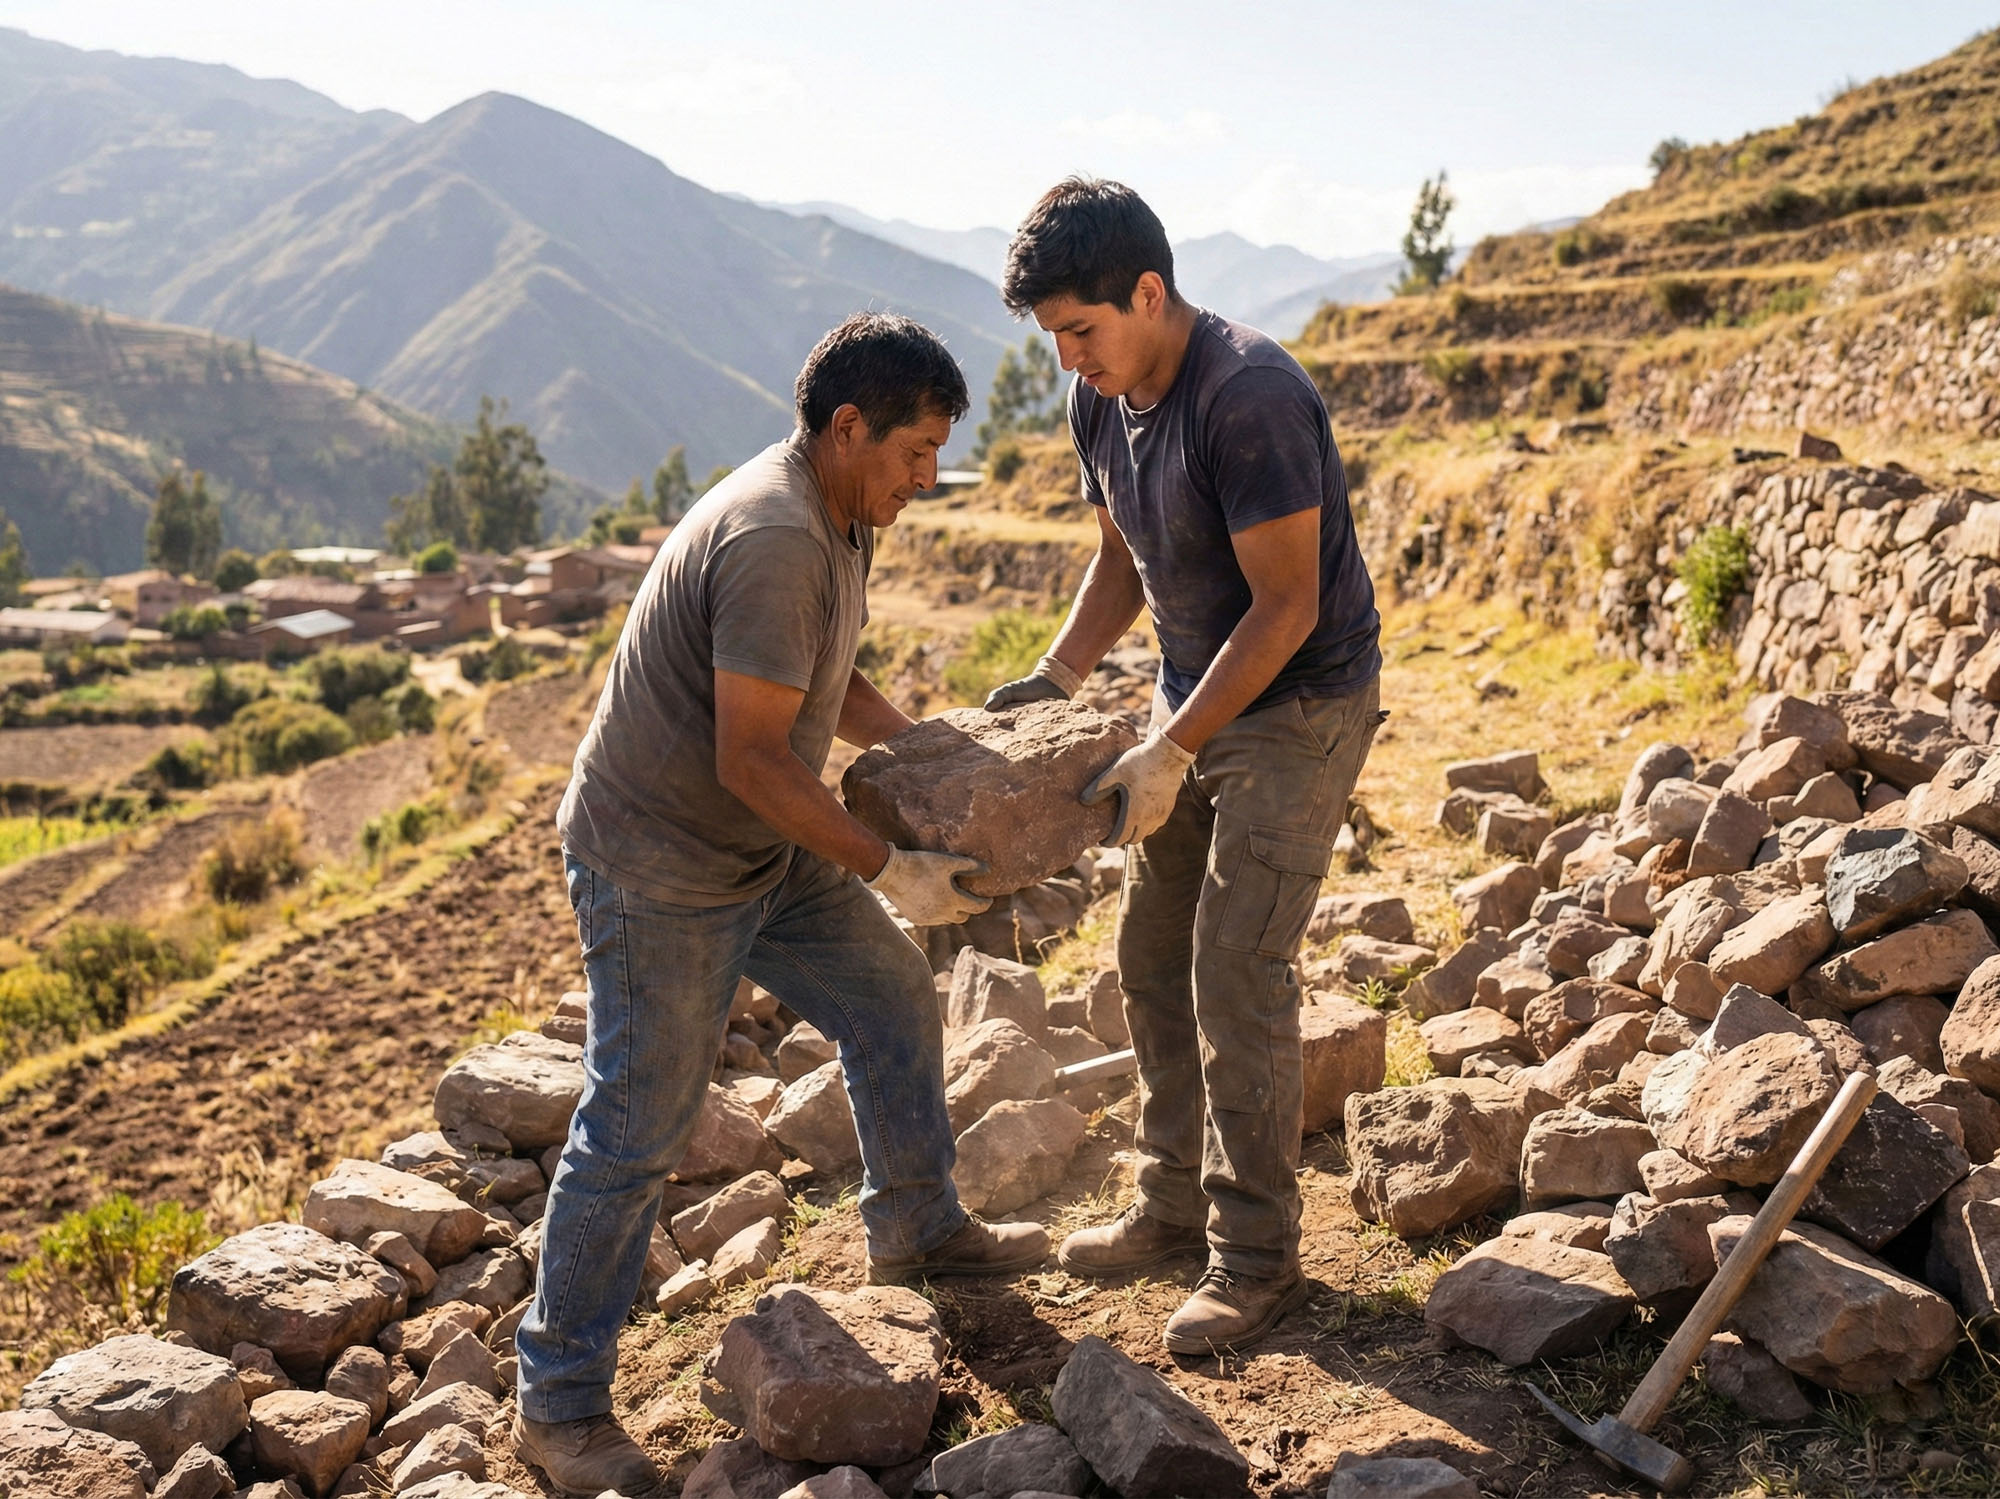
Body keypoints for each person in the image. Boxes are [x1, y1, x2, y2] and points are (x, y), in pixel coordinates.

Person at [515, 312, 1051, 1497]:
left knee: (890, 995)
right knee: (636, 1123)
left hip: (758, 842)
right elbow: (750, 758)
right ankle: (556, 1400)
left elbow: (826, 679)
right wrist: (884, 863)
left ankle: (915, 1224)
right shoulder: (772, 535)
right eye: (916, 450)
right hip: (662, 863)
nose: (930, 477)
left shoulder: (838, 510)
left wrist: (934, 750)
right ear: (846, 425)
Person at [987, 178, 1383, 1356]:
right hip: (1192, 690)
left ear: (1148, 292)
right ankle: (1170, 1203)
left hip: (1297, 698)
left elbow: (1284, 605)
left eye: (1082, 329)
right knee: (1148, 956)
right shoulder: (1098, 398)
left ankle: (1256, 1259)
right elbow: (1123, 555)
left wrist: (1171, 745)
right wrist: (1056, 678)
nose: (1067, 356)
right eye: (1052, 335)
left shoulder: (1247, 394)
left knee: (1233, 964)